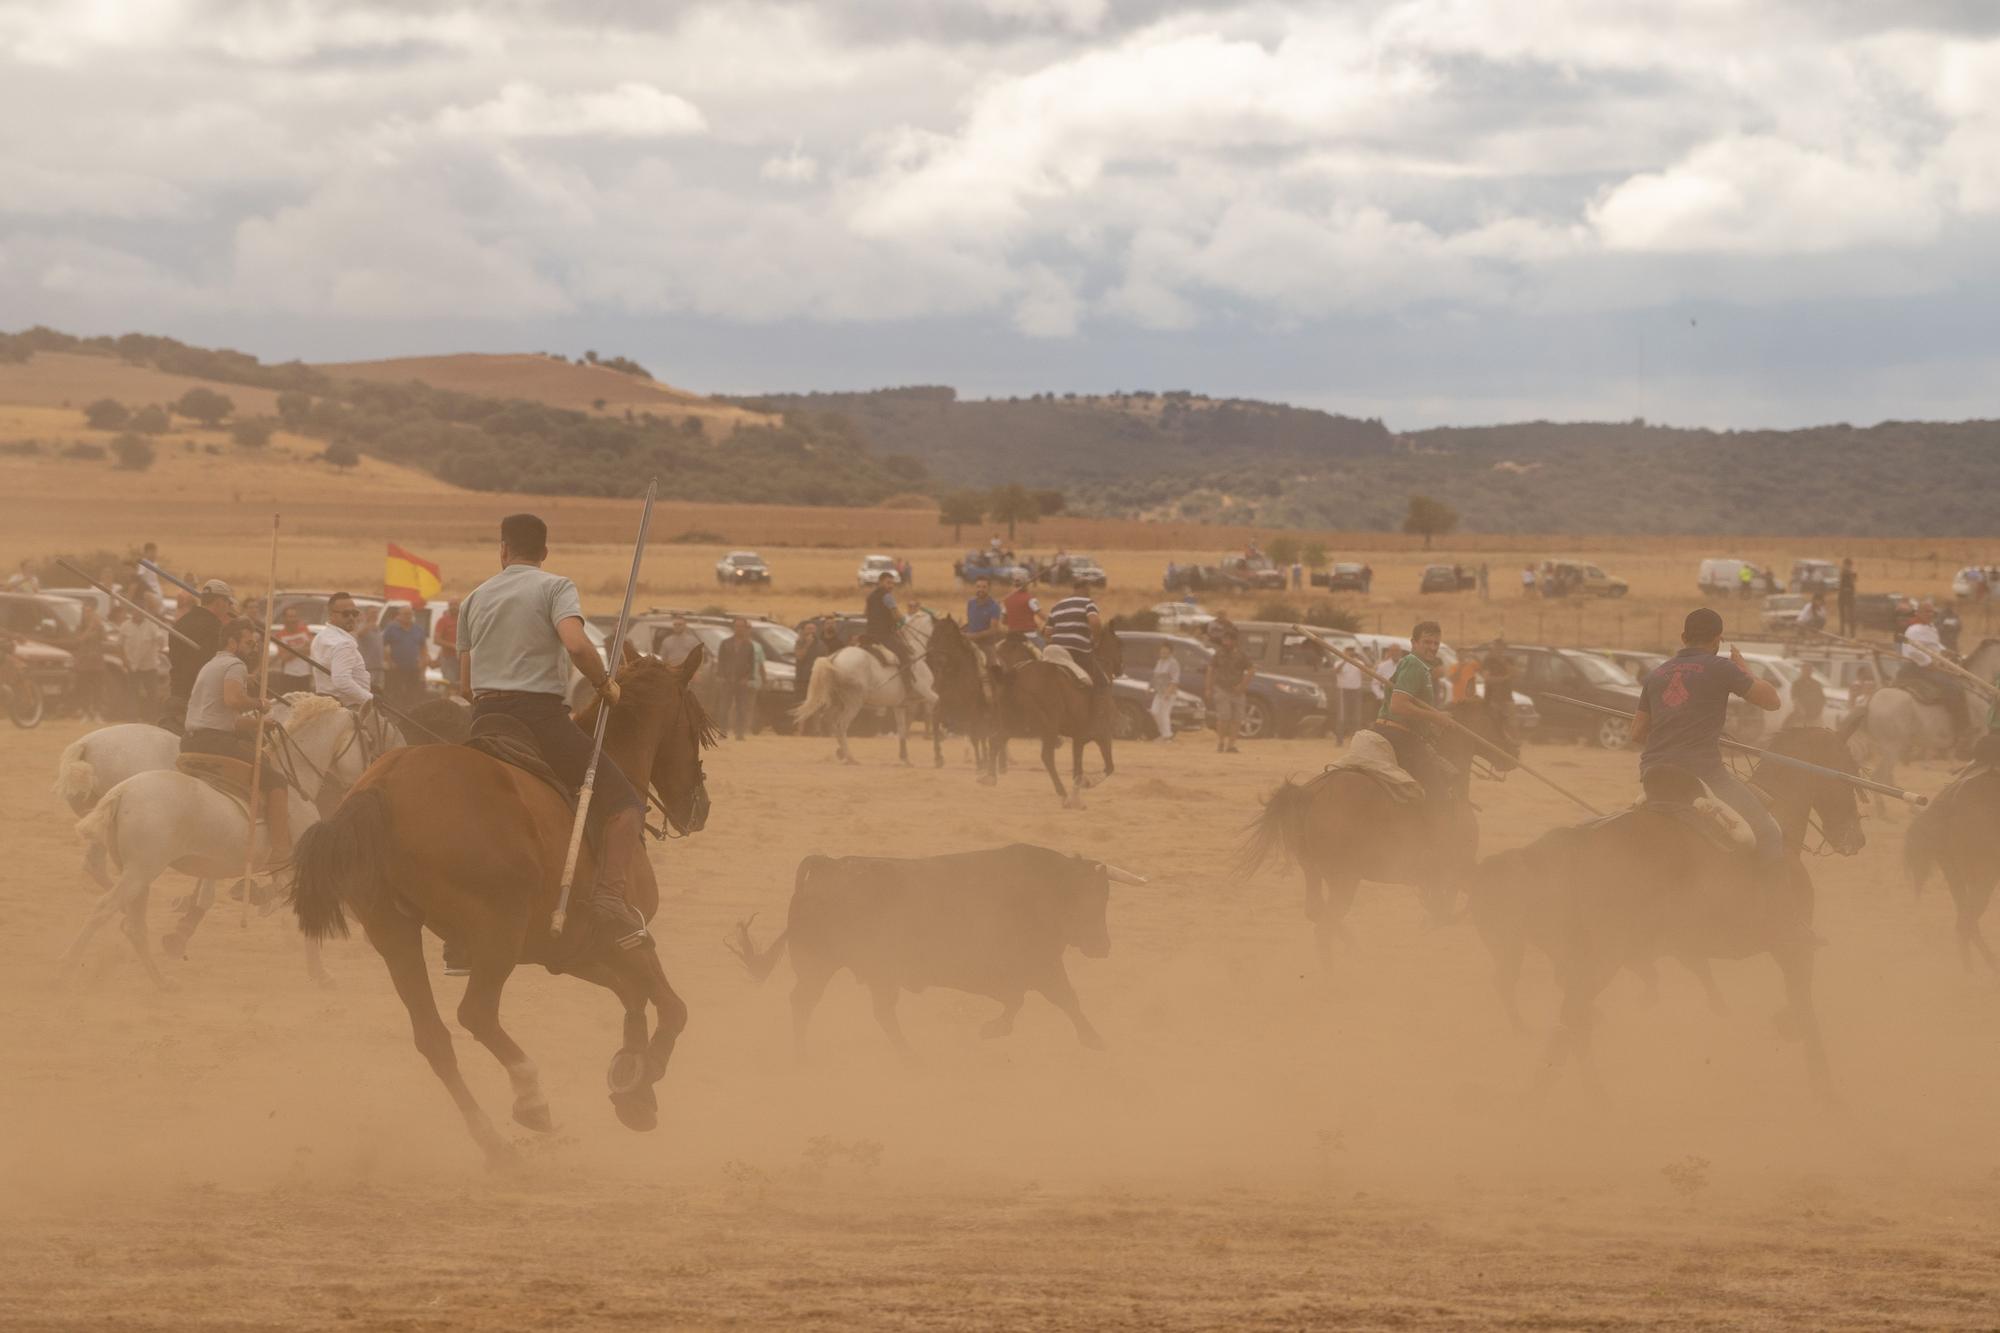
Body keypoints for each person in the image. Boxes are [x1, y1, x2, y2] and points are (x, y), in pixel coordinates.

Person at [457, 512, 653, 951]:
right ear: (544, 553)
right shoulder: (554, 587)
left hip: (484, 719)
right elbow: (577, 644)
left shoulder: (473, 598)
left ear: (503, 550)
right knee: (624, 805)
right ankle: (608, 901)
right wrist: (605, 684)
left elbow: (465, 684)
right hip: (539, 720)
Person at [1630, 608, 1785, 863]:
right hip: (1703, 776)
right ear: (1717, 640)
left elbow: (1637, 733)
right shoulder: (1721, 667)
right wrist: (1744, 669)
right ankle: (1771, 901)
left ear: (1683, 637)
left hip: (1653, 775)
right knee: (1769, 832)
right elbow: (1772, 701)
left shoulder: (1656, 674)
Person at [180, 616, 290, 864]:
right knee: (275, 779)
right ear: (232, 642)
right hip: (214, 742)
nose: (252, 649)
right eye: (249, 643)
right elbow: (233, 700)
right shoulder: (235, 665)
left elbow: (226, 719)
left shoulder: (211, 665)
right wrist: (260, 704)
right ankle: (282, 851)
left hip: (191, 740)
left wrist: (262, 723)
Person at [1370, 622, 1459, 809]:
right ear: (1413, 642)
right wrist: (1436, 718)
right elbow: (1398, 705)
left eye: (1436, 644)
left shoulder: (1417, 666)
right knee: (1438, 793)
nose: (1432, 648)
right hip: (1400, 736)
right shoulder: (1414, 665)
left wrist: (1436, 715)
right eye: (1427, 642)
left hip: (1392, 731)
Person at [163, 578, 235, 733]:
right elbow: (213, 664)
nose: (230, 607)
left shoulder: (181, 622)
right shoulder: (214, 626)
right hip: (200, 701)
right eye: (229, 603)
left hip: (176, 693)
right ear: (218, 602)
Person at [1899, 601, 1972, 747]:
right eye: (1926, 611)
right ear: (1918, 613)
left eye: (1932, 612)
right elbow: (1913, 651)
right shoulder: (1914, 630)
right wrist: (1928, 663)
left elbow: (1935, 645)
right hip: (1918, 668)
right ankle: (1961, 728)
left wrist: (1947, 651)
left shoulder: (1931, 627)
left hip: (1932, 665)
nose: (1930, 614)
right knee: (1954, 688)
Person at [1045, 576, 1108, 692]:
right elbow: (1095, 623)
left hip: (1055, 649)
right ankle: (1098, 709)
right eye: (1089, 588)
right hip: (1077, 650)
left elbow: (1047, 633)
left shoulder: (1056, 606)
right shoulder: (1088, 603)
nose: (1090, 591)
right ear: (1085, 588)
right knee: (1102, 682)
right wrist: (1096, 640)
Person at [311, 591, 373, 707]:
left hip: (325, 703)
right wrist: (369, 698)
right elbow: (341, 680)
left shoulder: (320, 637)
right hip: (347, 708)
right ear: (331, 614)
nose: (351, 618)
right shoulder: (344, 643)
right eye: (346, 614)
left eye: (355, 613)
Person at [120, 592, 168, 722]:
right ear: (133, 611)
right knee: (132, 693)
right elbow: (120, 646)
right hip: (132, 666)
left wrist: (158, 639)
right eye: (136, 610)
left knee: (151, 693)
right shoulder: (125, 626)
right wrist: (125, 661)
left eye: (142, 611)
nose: (139, 613)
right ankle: (132, 718)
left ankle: (151, 718)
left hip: (149, 667)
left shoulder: (152, 625)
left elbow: (161, 641)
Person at [1207, 630, 1254, 753]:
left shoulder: (1242, 655)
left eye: (1228, 640)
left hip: (1237, 691)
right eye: (1224, 640)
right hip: (1222, 689)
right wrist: (1208, 687)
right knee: (1224, 717)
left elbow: (1251, 669)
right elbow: (1210, 669)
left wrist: (1242, 686)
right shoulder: (1219, 653)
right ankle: (1221, 742)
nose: (1225, 642)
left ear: (1234, 641)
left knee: (1237, 719)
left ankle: (1231, 745)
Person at [716, 617, 758, 740]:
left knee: (741, 708)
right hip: (727, 680)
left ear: (745, 628)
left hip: (741, 681)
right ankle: (722, 732)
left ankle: (739, 733)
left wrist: (747, 678)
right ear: (733, 627)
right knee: (724, 707)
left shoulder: (749, 645)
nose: (739, 629)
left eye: (741, 626)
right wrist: (720, 676)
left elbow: (751, 663)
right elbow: (721, 661)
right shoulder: (725, 643)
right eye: (737, 626)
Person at [381, 603, 429, 705]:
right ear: (399, 615)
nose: (408, 616)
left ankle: (410, 714)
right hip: (396, 669)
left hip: (414, 668)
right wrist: (389, 661)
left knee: (412, 694)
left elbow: (423, 647)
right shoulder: (391, 629)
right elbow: (384, 646)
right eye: (405, 614)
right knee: (396, 694)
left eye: (410, 614)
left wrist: (423, 662)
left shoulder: (418, 629)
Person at [273, 603, 317, 696]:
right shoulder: (280, 635)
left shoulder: (304, 629)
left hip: (305, 675)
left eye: (295, 616)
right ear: (284, 619)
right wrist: (302, 648)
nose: (293, 619)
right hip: (289, 676)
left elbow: (311, 649)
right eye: (290, 617)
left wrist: (291, 651)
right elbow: (284, 657)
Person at [1000, 574, 1041, 655]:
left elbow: (1003, 621)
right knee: (1044, 651)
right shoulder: (1031, 599)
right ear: (1026, 585)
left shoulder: (1007, 600)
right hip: (1029, 635)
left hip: (1011, 636)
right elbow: (1043, 616)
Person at [1333, 648, 1365, 744]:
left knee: (1356, 716)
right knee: (1342, 716)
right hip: (1343, 691)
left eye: (1352, 652)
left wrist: (1357, 658)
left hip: (1356, 691)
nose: (1350, 654)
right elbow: (1336, 671)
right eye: (1348, 652)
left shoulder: (1359, 663)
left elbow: (1365, 671)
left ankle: (1356, 741)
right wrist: (1345, 660)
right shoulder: (1339, 663)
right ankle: (1339, 739)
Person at [964, 576, 1003, 655]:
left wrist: (974, 636)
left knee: (993, 665)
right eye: (978, 587)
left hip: (986, 644)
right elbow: (971, 623)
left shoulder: (994, 606)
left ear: (989, 588)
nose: (980, 589)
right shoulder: (971, 603)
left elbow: (993, 630)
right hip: (970, 642)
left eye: (984, 587)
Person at [1149, 642, 1179, 741]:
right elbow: (1155, 676)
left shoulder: (1173, 663)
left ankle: (1166, 735)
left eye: (1166, 650)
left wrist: (1168, 692)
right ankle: (1164, 733)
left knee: (1164, 713)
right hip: (1159, 692)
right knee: (1154, 711)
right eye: (1162, 650)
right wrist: (1150, 686)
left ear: (1170, 652)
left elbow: (1174, 680)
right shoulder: (1159, 662)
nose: (1163, 652)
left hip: (1168, 692)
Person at [355, 605, 385, 693]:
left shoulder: (378, 628)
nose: (375, 615)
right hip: (367, 668)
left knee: (378, 692)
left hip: (379, 667)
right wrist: (369, 625)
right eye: (372, 613)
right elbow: (359, 634)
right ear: (366, 614)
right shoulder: (362, 626)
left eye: (376, 613)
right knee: (366, 692)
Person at [1789, 661, 1826, 729]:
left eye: (1809, 670)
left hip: (1815, 715)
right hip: (1801, 715)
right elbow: (1795, 698)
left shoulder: (1816, 684)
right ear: (1802, 671)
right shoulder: (1796, 684)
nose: (1807, 672)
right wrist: (1801, 710)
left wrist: (1819, 711)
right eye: (1805, 670)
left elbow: (1822, 698)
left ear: (1812, 671)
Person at [434, 598, 461, 684]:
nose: (453, 607)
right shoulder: (443, 620)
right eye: (451, 605)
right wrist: (453, 646)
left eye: (455, 604)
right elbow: (436, 640)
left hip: (463, 659)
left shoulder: (464, 619)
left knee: (462, 686)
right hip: (448, 659)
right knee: (450, 685)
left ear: (460, 605)